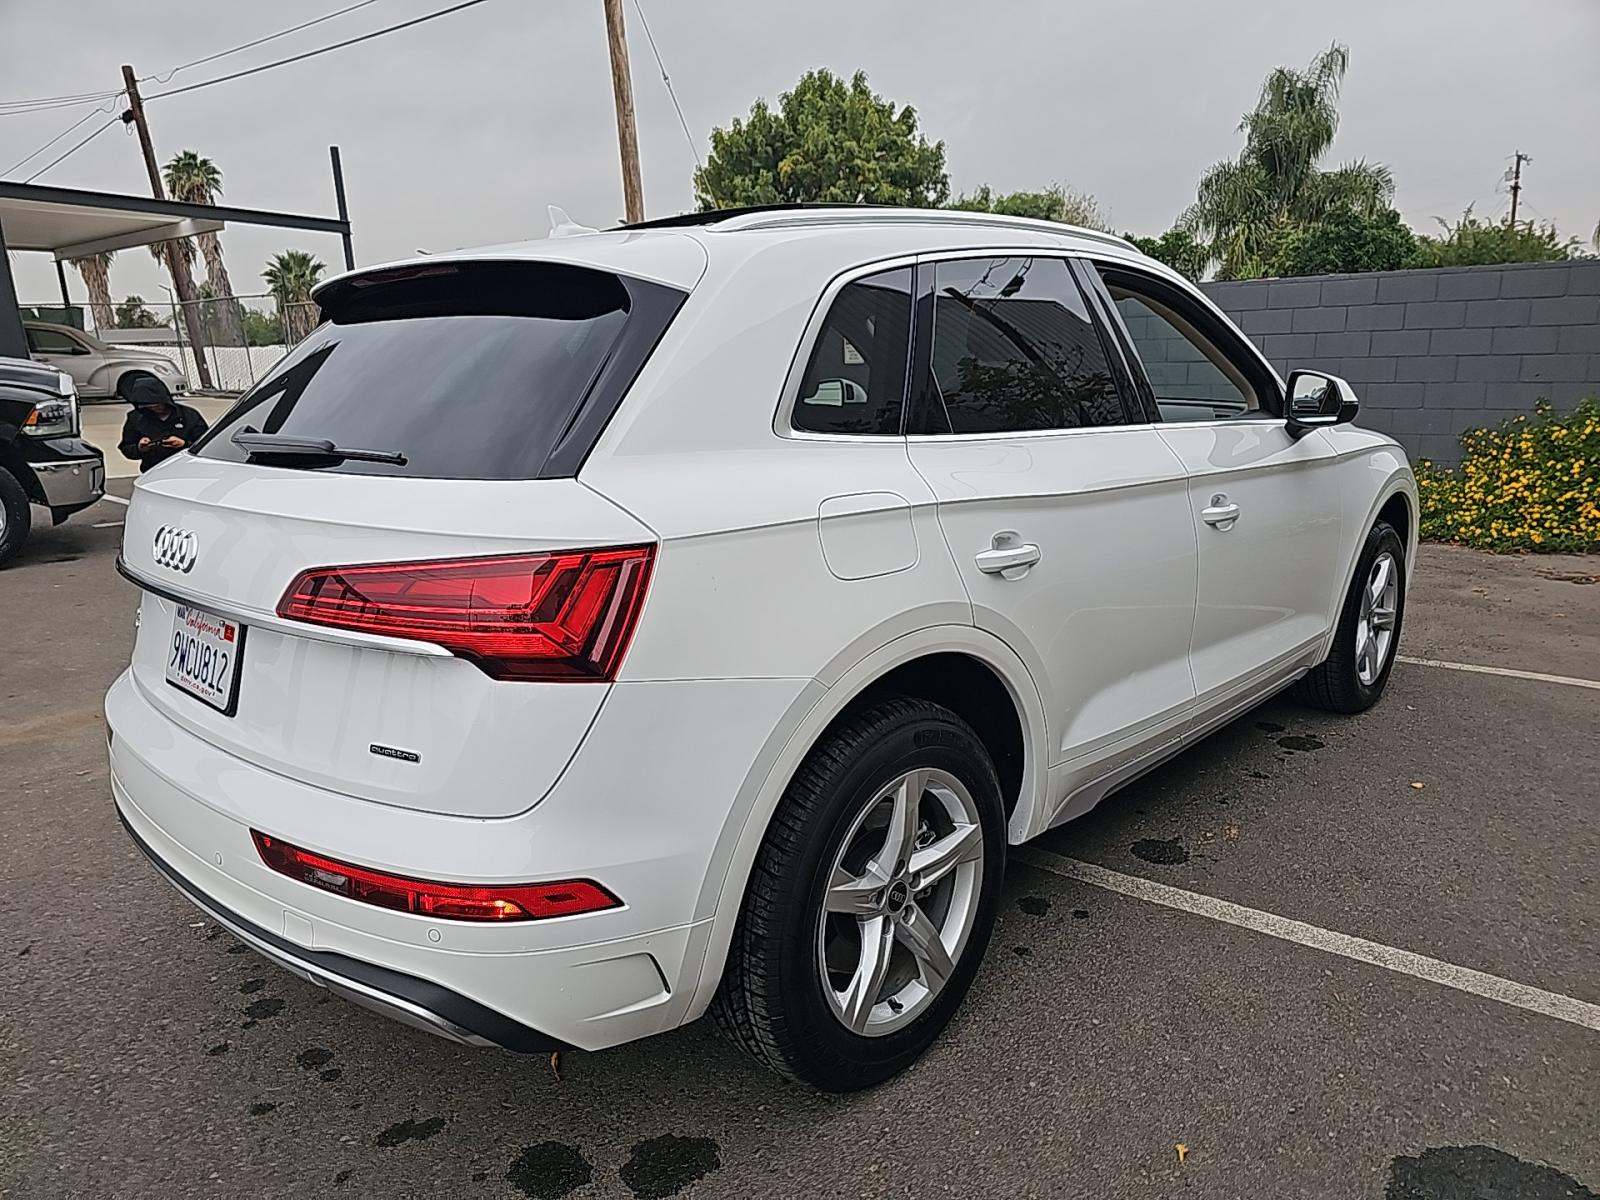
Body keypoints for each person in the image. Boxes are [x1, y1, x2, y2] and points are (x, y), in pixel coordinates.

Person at [117, 377, 209, 473]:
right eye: (149, 407)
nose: (156, 409)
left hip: (186, 469)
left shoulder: (189, 415)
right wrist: (140, 448)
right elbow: (126, 448)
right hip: (153, 470)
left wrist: (184, 444)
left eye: (157, 405)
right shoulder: (135, 418)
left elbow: (206, 445)